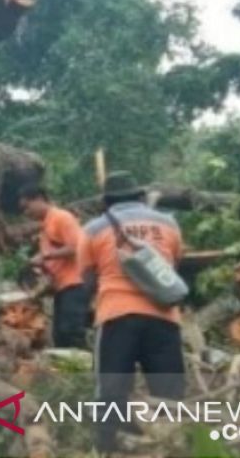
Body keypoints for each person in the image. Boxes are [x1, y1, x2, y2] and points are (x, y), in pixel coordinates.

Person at [78, 171, 185, 454]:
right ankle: (172, 446)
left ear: (106, 202)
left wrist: (84, 315)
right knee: (168, 390)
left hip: (117, 315)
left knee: (111, 391)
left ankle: (108, 448)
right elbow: (172, 265)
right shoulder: (169, 224)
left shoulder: (92, 229)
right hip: (164, 317)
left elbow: (87, 279)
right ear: (140, 196)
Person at [20, 186, 90, 349]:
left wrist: (45, 256)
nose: (26, 213)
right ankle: (67, 368)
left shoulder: (61, 217)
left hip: (75, 283)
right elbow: (56, 259)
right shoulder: (46, 225)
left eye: (26, 207)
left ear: (39, 199)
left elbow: (77, 247)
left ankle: (81, 368)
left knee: (71, 331)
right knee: (59, 334)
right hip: (62, 285)